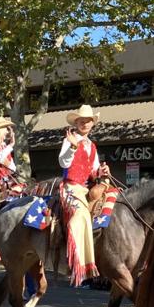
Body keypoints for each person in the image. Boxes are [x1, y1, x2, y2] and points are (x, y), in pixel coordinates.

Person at [59, 104, 110, 286]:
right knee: (80, 215)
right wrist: (72, 147)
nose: (85, 124)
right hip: (71, 187)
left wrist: (102, 172)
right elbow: (63, 162)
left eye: (88, 121)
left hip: (86, 188)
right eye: (82, 121)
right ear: (76, 123)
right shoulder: (69, 140)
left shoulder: (92, 146)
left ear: (92, 124)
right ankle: (79, 266)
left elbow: (94, 172)